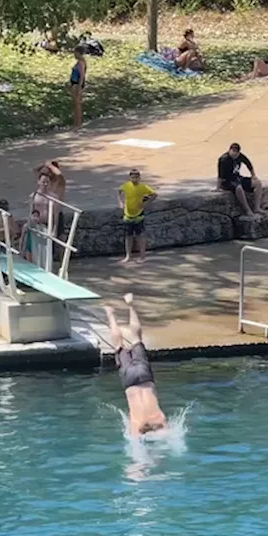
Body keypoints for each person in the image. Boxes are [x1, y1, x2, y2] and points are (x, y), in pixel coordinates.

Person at [105, 292, 167, 437]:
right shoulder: (137, 425)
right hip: (129, 381)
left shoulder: (160, 420)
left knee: (136, 340)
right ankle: (110, 314)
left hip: (145, 377)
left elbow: (167, 435)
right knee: (119, 346)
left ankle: (130, 305)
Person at [117, 168, 156, 264]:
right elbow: (119, 191)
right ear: (130, 177)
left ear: (139, 178)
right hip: (127, 215)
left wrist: (146, 203)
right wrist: (120, 203)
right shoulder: (126, 186)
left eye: (136, 177)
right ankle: (128, 256)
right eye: (132, 177)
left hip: (139, 215)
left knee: (140, 236)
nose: (134, 179)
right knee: (128, 236)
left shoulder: (143, 187)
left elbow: (154, 194)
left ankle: (142, 256)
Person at [217, 143, 263, 216]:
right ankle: (247, 210)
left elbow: (248, 164)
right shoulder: (224, 159)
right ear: (229, 150)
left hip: (237, 177)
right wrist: (218, 187)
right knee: (239, 188)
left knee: (258, 183)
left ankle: (257, 208)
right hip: (227, 181)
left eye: (236, 154)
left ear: (238, 153)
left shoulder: (240, 156)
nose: (234, 156)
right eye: (233, 153)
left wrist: (253, 175)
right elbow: (220, 175)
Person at [70, 45, 87, 129]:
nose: (74, 54)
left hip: (77, 83)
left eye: (75, 53)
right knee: (75, 104)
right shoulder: (79, 62)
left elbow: (82, 75)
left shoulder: (81, 63)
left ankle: (78, 124)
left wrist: (79, 87)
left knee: (77, 104)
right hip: (74, 83)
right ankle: (75, 123)